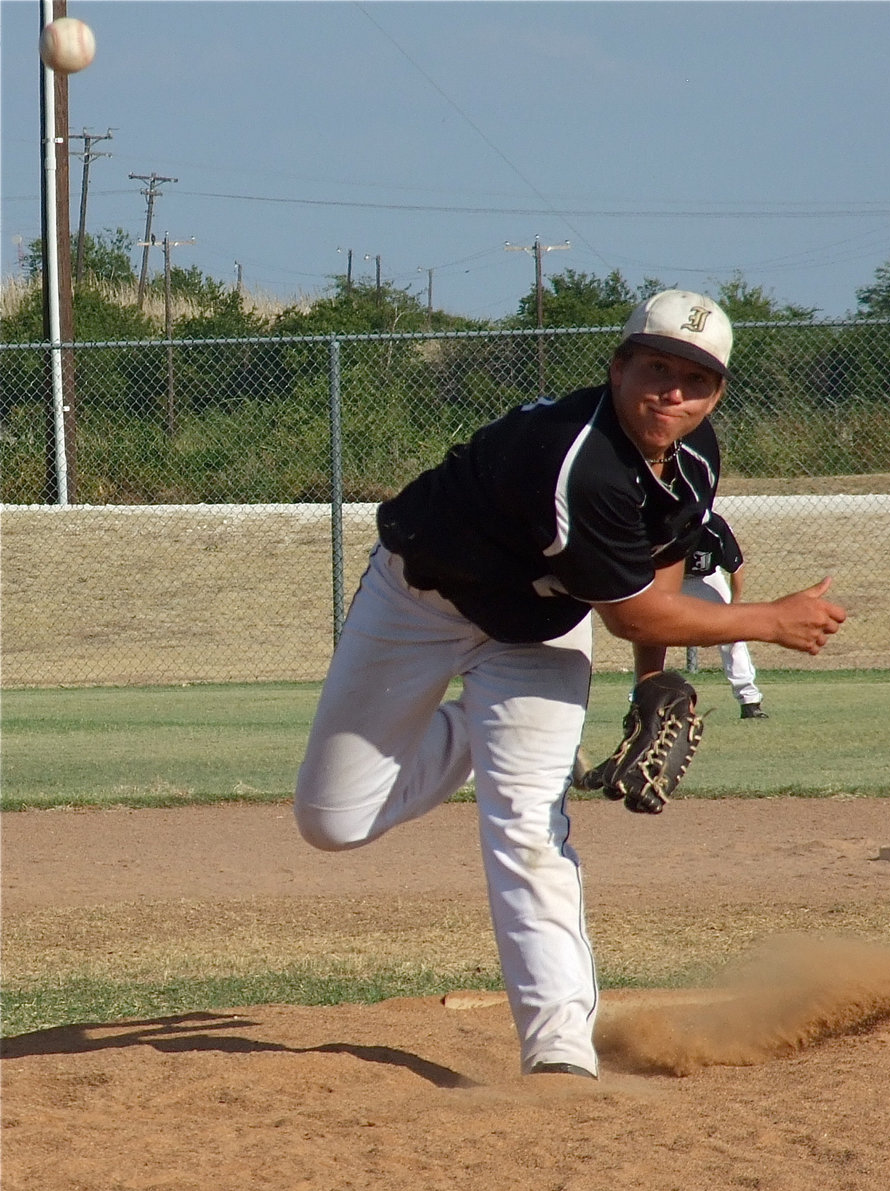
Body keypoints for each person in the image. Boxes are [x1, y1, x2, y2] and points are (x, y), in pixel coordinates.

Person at [293, 289, 845, 1081]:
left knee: (528, 824)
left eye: (695, 380)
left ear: (717, 394)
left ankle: (557, 1050)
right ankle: (472, 735)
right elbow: (629, 614)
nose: (673, 393)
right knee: (333, 823)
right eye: (656, 369)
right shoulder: (577, 460)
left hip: (535, 632)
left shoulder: (693, 455)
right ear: (618, 368)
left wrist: (651, 682)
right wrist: (769, 620)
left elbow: (661, 558)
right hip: (419, 603)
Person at [683, 512, 769, 718]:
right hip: (665, 580)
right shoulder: (662, 521)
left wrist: (734, 608)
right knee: (649, 634)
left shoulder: (714, 527)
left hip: (705, 579)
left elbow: (736, 568)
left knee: (732, 631)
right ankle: (641, 698)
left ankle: (749, 700)